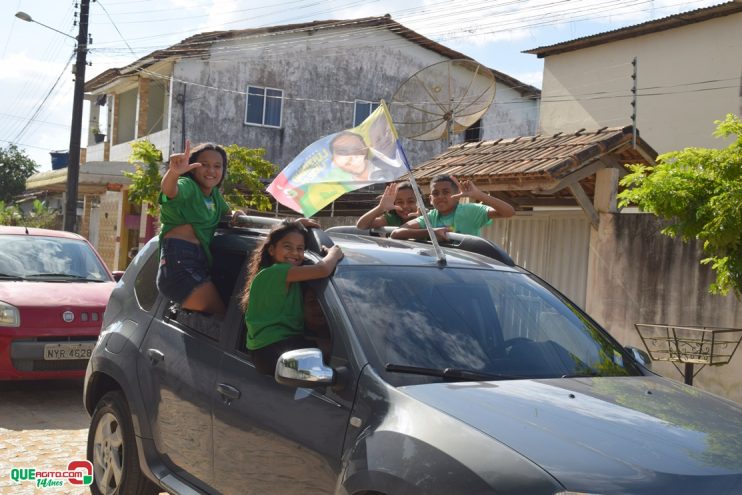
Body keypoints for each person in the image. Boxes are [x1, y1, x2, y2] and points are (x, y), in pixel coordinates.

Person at [241, 219, 343, 375]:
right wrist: (334, 254)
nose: (295, 253)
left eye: (300, 248)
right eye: (288, 247)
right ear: (271, 250)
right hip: (274, 349)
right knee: (338, 353)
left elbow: (278, 237)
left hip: (268, 349)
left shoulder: (270, 271)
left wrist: (296, 224)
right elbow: (322, 269)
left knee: (327, 347)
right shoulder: (277, 272)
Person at [156, 139, 243, 316]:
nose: (211, 171)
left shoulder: (214, 196)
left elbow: (228, 216)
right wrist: (173, 173)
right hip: (179, 262)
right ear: (193, 167)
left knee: (218, 319)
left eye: (217, 166)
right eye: (204, 165)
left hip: (200, 261)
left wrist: (237, 214)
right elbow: (169, 191)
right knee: (224, 317)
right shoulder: (188, 186)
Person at [390, 174, 515, 241]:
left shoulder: (470, 211)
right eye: (435, 193)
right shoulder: (429, 218)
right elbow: (396, 233)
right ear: (431, 200)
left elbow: (509, 212)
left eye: (446, 192)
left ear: (457, 195)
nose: (440, 196)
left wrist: (479, 195)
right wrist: (432, 232)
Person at [329, 131, 397, 182]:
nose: (351, 155)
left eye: (356, 149)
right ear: (334, 161)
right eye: (342, 152)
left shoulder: (393, 171)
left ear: (366, 150)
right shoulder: (341, 184)